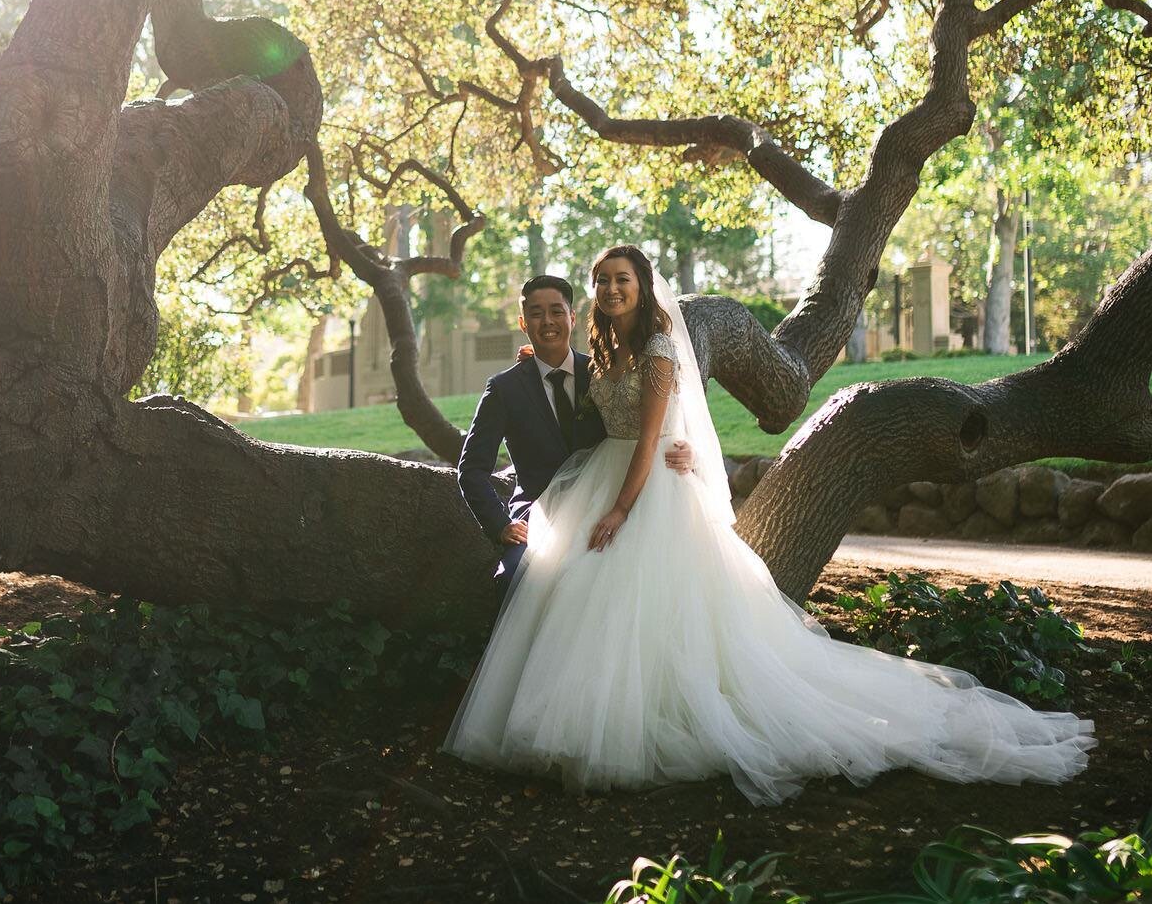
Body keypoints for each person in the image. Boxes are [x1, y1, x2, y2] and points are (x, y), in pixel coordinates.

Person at [444, 245, 1095, 801]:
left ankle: (645, 721)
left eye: (623, 279)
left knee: (649, 607)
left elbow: (650, 434)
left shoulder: (661, 345)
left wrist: (630, 496)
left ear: (643, 287)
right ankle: (588, 714)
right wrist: (544, 372)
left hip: (640, 492)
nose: (611, 290)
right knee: (590, 602)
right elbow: (593, 417)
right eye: (602, 282)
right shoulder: (594, 353)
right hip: (593, 486)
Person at [457, 274, 692, 598]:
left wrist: (684, 448)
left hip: (603, 502)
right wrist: (501, 525)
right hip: (541, 513)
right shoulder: (503, 389)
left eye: (556, 311)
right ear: (523, 323)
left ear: (571, 318)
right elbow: (471, 470)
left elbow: (643, 422)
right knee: (513, 579)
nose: (547, 321)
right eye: (537, 313)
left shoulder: (602, 374)